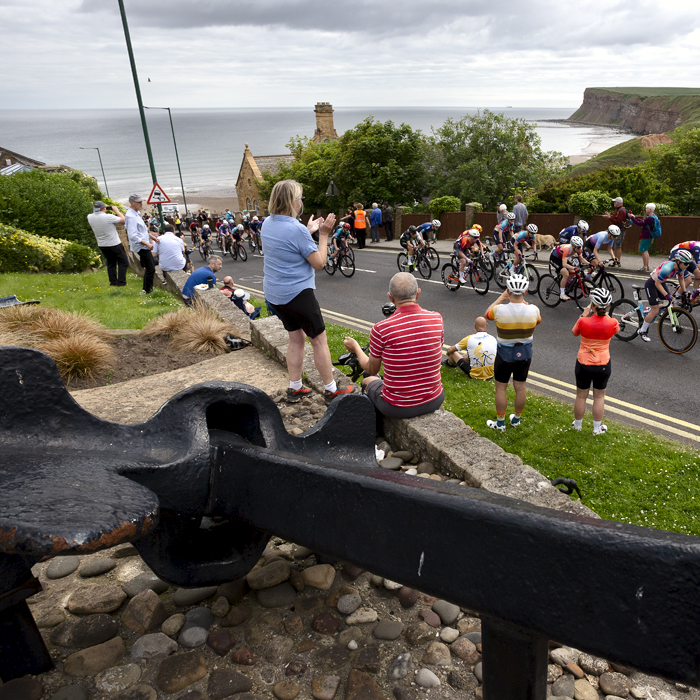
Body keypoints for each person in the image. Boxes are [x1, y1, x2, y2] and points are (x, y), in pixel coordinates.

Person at [261, 179, 352, 404]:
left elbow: (289, 244)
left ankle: (295, 387)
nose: (301, 202)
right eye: (300, 198)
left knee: (296, 338)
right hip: (297, 294)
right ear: (292, 201)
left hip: (275, 294)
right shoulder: (296, 229)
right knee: (319, 340)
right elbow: (319, 263)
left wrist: (307, 230)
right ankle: (331, 390)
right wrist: (322, 234)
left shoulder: (267, 223)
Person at [342, 272, 444, 419]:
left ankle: (374, 429)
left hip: (398, 407)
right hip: (435, 398)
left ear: (390, 297)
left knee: (368, 380)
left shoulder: (381, 329)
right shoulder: (437, 318)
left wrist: (356, 348)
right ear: (418, 293)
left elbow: (372, 369)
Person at [485, 274, 541, 431]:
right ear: (526, 291)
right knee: (520, 387)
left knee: (501, 388)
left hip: (504, 355)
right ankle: (516, 419)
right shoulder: (533, 309)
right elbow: (538, 320)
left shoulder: (499, 310)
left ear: (508, 290)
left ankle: (500, 423)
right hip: (525, 354)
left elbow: (487, 314)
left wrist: (501, 298)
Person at [571, 288, 618, 436]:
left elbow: (574, 332)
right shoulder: (613, 322)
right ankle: (597, 429)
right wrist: (607, 316)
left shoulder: (583, 321)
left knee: (581, 395)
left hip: (583, 362)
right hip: (603, 364)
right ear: (608, 306)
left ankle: (577, 425)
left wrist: (584, 314)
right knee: (599, 396)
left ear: (592, 304)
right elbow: (615, 331)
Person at [636, 249, 693, 342]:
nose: (688, 265)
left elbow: (681, 279)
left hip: (661, 283)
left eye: (688, 263)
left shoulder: (681, 268)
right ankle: (642, 331)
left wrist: (685, 292)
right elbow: (657, 284)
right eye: (686, 263)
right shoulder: (667, 268)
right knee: (655, 310)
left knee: (668, 303)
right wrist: (667, 295)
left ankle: (648, 312)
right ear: (678, 262)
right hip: (652, 284)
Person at [87, 200, 128, 287]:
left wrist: (102, 210)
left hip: (102, 244)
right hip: (114, 243)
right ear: (103, 208)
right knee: (123, 262)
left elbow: (97, 215)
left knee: (111, 263)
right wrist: (116, 211)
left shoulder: (90, 217)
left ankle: (113, 282)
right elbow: (124, 220)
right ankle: (121, 282)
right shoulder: (108, 217)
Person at [125, 193, 155, 294]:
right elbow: (133, 236)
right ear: (132, 203)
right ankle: (147, 290)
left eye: (141, 202)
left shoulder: (136, 213)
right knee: (151, 268)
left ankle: (147, 289)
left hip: (143, 245)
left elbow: (141, 231)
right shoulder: (131, 216)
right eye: (138, 202)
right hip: (141, 246)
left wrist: (151, 236)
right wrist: (147, 244)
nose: (141, 204)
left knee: (148, 266)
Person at [549, 235, 586, 301]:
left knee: (574, 272)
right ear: (573, 246)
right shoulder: (567, 249)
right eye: (578, 247)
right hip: (555, 258)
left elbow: (582, 259)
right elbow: (564, 264)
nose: (579, 248)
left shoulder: (578, 249)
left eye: (580, 247)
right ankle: (562, 294)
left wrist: (590, 264)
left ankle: (564, 281)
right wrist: (575, 268)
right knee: (566, 273)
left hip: (562, 258)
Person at [629, 203, 657, 272]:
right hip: (650, 235)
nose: (646, 209)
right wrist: (634, 217)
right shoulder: (654, 217)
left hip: (646, 236)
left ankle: (645, 267)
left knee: (644, 251)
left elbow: (639, 223)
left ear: (650, 210)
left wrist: (632, 217)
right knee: (646, 250)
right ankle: (646, 266)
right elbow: (642, 221)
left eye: (647, 208)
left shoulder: (650, 218)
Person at [603, 196, 629, 266]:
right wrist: (610, 216)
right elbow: (615, 219)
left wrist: (609, 218)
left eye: (615, 202)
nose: (614, 203)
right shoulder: (618, 210)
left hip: (620, 230)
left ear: (618, 203)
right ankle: (616, 261)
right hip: (617, 230)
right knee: (616, 245)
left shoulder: (621, 210)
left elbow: (618, 221)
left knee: (617, 246)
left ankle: (618, 261)